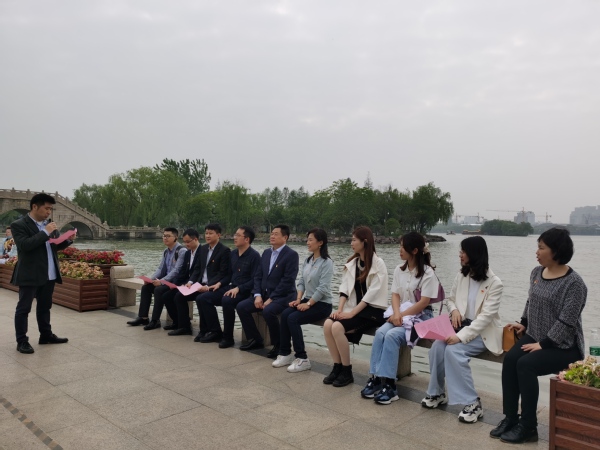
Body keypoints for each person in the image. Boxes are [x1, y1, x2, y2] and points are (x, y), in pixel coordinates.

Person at [492, 228, 587, 444]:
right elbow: (531, 301)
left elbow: (567, 321)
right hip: (535, 336)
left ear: (556, 251)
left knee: (526, 365)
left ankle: (529, 426)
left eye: (541, 248)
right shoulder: (537, 272)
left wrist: (544, 344)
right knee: (511, 360)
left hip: (564, 346)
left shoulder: (574, 284)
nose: (537, 252)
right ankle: (510, 418)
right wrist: (523, 323)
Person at [421, 236, 503, 424]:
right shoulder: (462, 275)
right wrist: (454, 311)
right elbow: (450, 299)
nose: (460, 255)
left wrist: (460, 337)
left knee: (454, 351)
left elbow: (485, 318)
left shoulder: (495, 283)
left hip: (482, 332)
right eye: (460, 251)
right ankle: (437, 393)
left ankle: (472, 403)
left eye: (463, 251)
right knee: (437, 348)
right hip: (459, 326)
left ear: (474, 254)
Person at [362, 232, 440, 404]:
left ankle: (390, 386)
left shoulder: (428, 273)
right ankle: (376, 377)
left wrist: (401, 315)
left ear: (415, 250)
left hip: (421, 317)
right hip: (400, 314)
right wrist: (397, 314)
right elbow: (395, 295)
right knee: (380, 332)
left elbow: (423, 303)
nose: (400, 250)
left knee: (391, 336)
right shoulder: (399, 269)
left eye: (403, 247)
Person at [322, 226, 388, 387]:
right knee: (328, 323)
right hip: (354, 309)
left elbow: (372, 294)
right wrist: (340, 310)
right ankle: (337, 366)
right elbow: (344, 289)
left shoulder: (378, 264)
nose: (351, 243)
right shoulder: (353, 263)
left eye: (354, 240)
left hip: (372, 311)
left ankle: (347, 371)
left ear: (364, 241)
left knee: (337, 327)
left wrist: (351, 314)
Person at [10, 193, 75, 354]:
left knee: (45, 307)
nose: (48, 212)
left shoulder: (49, 225)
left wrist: (68, 239)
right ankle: (22, 341)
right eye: (46, 208)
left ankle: (46, 335)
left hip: (49, 273)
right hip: (30, 274)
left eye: (50, 209)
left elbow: (54, 246)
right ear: (34, 207)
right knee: (24, 308)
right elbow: (25, 245)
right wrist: (45, 232)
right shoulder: (19, 225)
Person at [272, 228, 333, 372]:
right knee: (286, 314)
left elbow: (323, 288)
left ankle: (302, 358)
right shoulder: (308, 260)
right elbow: (301, 282)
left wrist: (308, 304)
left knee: (293, 318)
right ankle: (285, 353)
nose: (307, 242)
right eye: (307, 239)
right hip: (307, 299)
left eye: (311, 240)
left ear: (320, 243)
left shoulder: (327, 262)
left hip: (322, 304)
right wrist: (299, 299)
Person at [236, 224, 299, 358]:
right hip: (264, 294)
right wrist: (258, 295)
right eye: (271, 233)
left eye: (276, 234)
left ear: (285, 238)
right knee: (241, 306)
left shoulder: (291, 255)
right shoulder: (266, 253)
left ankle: (279, 344)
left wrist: (271, 298)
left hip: (283, 296)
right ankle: (256, 339)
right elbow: (258, 276)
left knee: (268, 311)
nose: (272, 236)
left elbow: (288, 281)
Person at [199, 226, 260, 348]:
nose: (234, 237)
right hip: (231, 287)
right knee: (203, 298)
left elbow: (256, 279)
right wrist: (219, 283)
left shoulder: (254, 256)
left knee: (227, 301)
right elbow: (228, 275)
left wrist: (239, 288)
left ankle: (228, 338)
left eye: (238, 235)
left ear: (247, 239)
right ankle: (215, 331)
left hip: (245, 290)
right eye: (235, 235)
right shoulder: (233, 254)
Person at [171, 223, 231, 341]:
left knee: (202, 298)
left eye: (211, 233)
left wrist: (208, 286)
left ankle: (213, 331)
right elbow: (198, 269)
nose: (207, 236)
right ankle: (185, 327)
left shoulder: (224, 251)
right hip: (199, 284)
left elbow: (222, 273)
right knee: (179, 296)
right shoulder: (203, 249)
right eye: (206, 233)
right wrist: (191, 282)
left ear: (218, 235)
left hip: (215, 285)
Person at [126, 227, 186, 328]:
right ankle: (143, 317)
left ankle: (155, 320)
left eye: (168, 236)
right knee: (146, 288)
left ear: (176, 237)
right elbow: (160, 269)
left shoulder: (181, 251)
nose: (165, 238)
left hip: (175, 283)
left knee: (158, 290)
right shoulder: (166, 251)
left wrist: (162, 281)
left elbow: (176, 271)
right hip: (165, 281)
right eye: (164, 236)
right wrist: (151, 279)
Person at [156, 228, 202, 333]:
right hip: (186, 283)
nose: (186, 244)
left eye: (188, 242)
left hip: (197, 283)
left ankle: (185, 326)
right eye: (184, 242)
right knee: (167, 296)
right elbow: (183, 272)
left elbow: (198, 271)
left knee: (178, 296)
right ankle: (177, 322)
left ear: (195, 239)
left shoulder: (202, 252)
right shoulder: (188, 253)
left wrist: (190, 282)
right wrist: (175, 284)